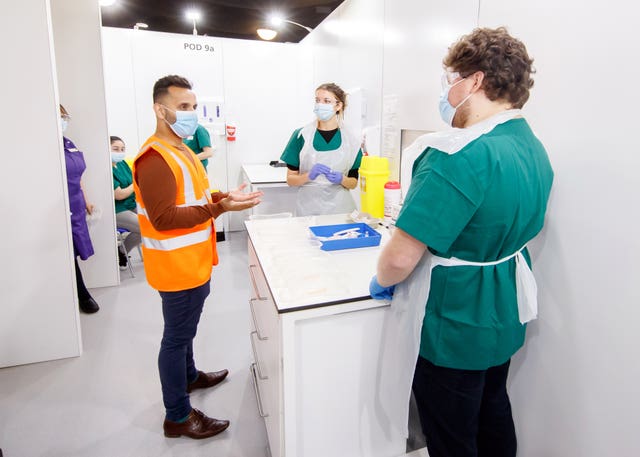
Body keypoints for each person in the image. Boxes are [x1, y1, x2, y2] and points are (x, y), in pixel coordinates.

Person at [370, 28, 554, 457]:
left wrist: (381, 278)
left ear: (473, 82)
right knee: (493, 409)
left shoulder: (456, 156)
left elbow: (399, 257)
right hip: (502, 308)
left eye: (450, 77)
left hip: (453, 321)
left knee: (452, 433)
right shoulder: (531, 147)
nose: (446, 89)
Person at [132, 75, 262, 440]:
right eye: (184, 107)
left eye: (193, 107)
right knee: (175, 338)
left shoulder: (182, 150)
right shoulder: (155, 158)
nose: (192, 115)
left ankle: (189, 376)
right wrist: (217, 209)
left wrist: (224, 197)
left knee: (185, 331)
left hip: (194, 260)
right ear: (161, 110)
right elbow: (164, 218)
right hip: (175, 267)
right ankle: (177, 415)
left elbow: (195, 196)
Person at [280, 82, 363, 216]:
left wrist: (342, 179)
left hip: (341, 211)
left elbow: (353, 183)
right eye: (317, 100)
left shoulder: (351, 141)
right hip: (309, 210)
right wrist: (308, 176)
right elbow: (290, 180)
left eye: (326, 101)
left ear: (338, 105)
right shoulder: (302, 135)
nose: (320, 105)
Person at [60, 105, 100, 314]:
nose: (63, 121)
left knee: (74, 249)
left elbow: (79, 177)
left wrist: (85, 201)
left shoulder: (68, 143)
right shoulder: (44, 146)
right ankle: (82, 295)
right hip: (60, 206)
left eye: (64, 117)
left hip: (76, 205)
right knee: (66, 253)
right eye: (59, 117)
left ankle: (80, 294)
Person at [110, 135, 142, 270]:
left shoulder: (122, 164)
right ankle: (121, 254)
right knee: (145, 228)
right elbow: (119, 194)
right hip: (117, 209)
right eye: (115, 149)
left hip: (130, 204)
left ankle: (122, 253)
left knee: (151, 223)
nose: (120, 152)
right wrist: (135, 185)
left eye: (122, 149)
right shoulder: (106, 168)